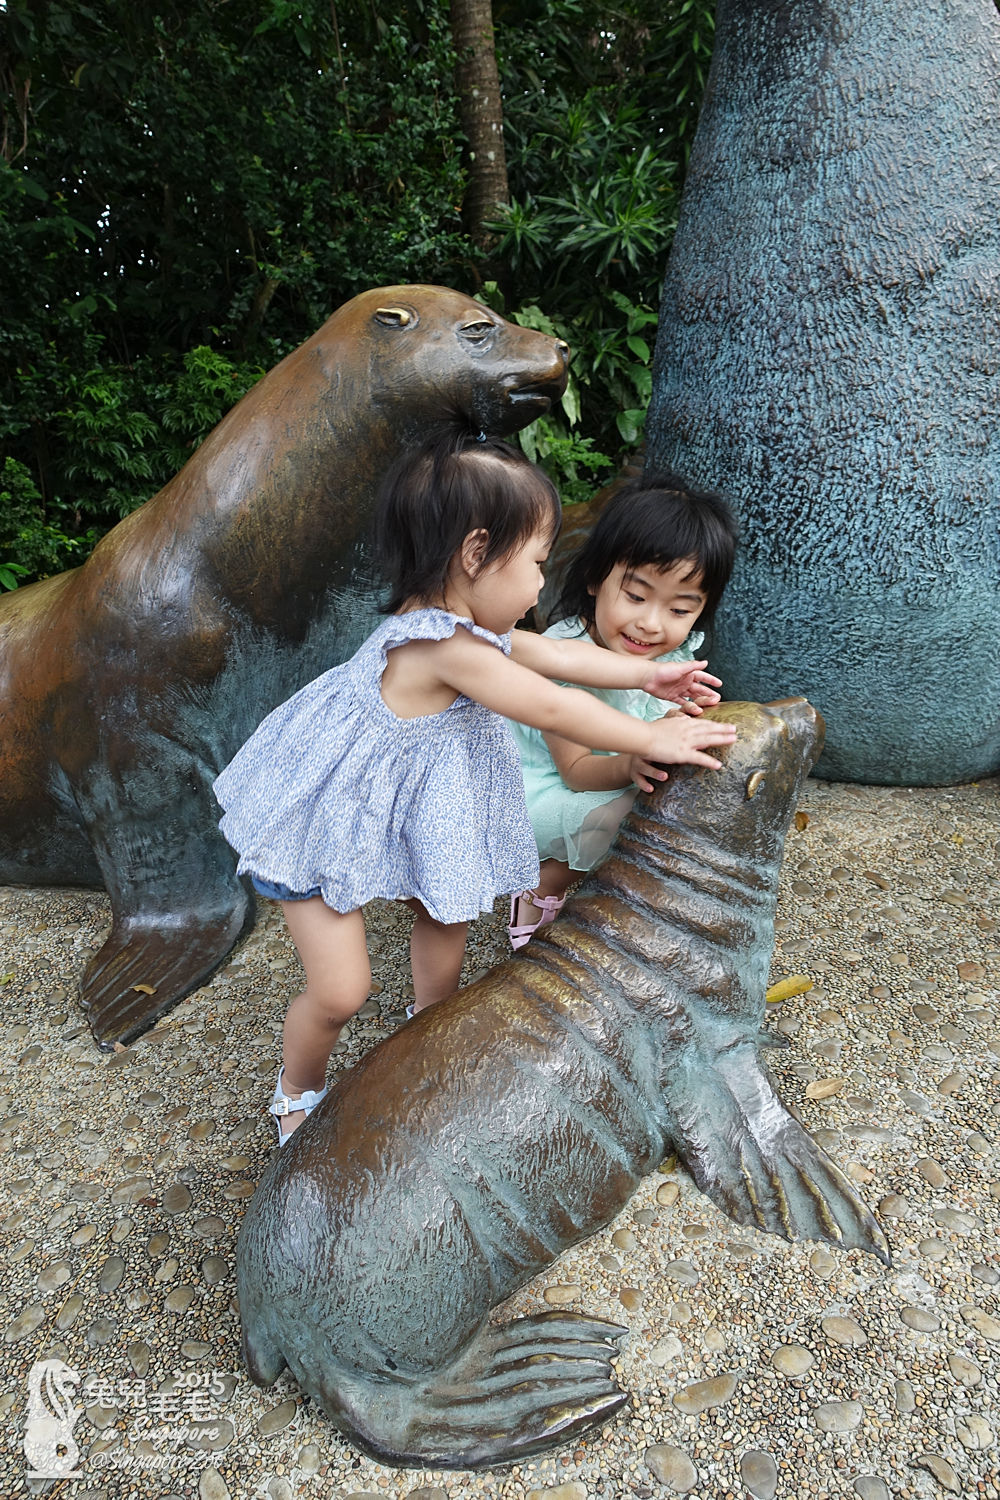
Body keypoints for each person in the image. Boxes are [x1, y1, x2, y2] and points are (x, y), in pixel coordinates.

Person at [213, 432, 736, 1142]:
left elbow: (555, 655)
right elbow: (548, 701)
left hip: (416, 805)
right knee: (341, 992)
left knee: (449, 905)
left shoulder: (469, 624)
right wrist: (653, 735)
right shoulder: (441, 645)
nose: (537, 585)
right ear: (475, 554)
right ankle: (297, 1091)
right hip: (328, 820)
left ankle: (430, 1030)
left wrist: (649, 676)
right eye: (535, 564)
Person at [508, 471, 738, 948]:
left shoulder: (673, 659)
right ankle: (541, 886)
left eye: (679, 610)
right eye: (635, 596)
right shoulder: (562, 658)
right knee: (626, 816)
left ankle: (633, 890)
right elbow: (575, 771)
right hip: (543, 791)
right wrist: (635, 759)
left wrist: (686, 721)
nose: (650, 623)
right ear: (596, 578)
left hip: (617, 776)